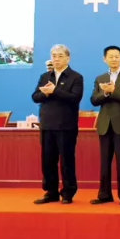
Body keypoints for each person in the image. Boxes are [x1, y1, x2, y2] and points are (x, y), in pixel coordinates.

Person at [31, 44, 84, 204]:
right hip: (47, 124)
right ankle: (51, 192)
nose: (56, 59)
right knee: (48, 160)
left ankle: (68, 192)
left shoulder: (76, 77)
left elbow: (75, 98)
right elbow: (35, 97)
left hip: (66, 126)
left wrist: (54, 91)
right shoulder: (45, 76)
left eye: (60, 56)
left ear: (67, 58)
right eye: (54, 56)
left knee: (67, 161)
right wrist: (45, 93)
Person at [89, 46, 120, 206]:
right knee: (104, 162)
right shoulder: (100, 78)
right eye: (110, 56)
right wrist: (105, 93)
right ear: (105, 59)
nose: (114, 59)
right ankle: (104, 195)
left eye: (116, 56)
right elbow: (94, 100)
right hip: (104, 125)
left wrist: (113, 91)